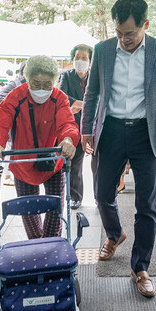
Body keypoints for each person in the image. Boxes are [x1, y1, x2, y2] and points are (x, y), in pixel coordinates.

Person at [81, 0, 156, 298]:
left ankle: (141, 268)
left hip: (145, 132)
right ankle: (115, 233)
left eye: (131, 33)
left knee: (146, 205)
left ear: (145, 25)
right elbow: (92, 93)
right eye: (119, 32)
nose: (124, 39)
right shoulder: (102, 50)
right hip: (109, 130)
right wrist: (86, 130)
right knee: (102, 194)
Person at [0, 55, 79, 239]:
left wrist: (68, 139)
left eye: (47, 84)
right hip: (23, 162)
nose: (42, 89)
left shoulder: (59, 98)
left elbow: (67, 124)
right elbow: (0, 125)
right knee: (29, 213)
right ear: (27, 80)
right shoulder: (15, 97)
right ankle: (36, 245)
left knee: (56, 212)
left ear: (55, 82)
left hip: (52, 161)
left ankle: (51, 247)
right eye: (36, 84)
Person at [59, 44, 93, 210]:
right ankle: (75, 197)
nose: (80, 60)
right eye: (77, 57)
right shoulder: (66, 75)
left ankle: (102, 197)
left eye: (84, 58)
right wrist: (79, 103)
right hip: (74, 125)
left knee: (99, 164)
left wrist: (86, 104)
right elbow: (62, 95)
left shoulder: (95, 76)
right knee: (74, 164)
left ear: (90, 61)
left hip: (94, 125)